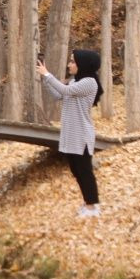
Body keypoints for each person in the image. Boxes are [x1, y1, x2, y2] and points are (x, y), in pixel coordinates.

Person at [36, 49, 102, 217]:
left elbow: (65, 91)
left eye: (72, 61)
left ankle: (93, 207)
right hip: (71, 135)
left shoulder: (89, 82)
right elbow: (59, 95)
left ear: (83, 64)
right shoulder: (75, 82)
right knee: (76, 171)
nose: (69, 64)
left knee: (85, 171)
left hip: (81, 135)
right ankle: (88, 203)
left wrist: (48, 75)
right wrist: (45, 79)